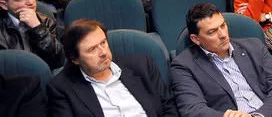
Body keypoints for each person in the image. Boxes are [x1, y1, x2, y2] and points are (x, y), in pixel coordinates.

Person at [169, 3, 272, 117]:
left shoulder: (254, 47)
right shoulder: (183, 66)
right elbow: (193, 109)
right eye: (212, 32)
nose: (223, 34)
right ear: (196, 39)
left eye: (223, 25)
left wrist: (259, 115)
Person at [46, 19, 178, 117]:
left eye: (103, 43)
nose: (103, 52)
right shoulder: (61, 89)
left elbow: (168, 108)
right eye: (92, 49)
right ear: (75, 59)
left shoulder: (142, 65)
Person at [0, 0, 64, 69]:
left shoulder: (46, 21)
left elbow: (58, 61)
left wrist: (38, 28)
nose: (31, 2)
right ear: (4, 5)